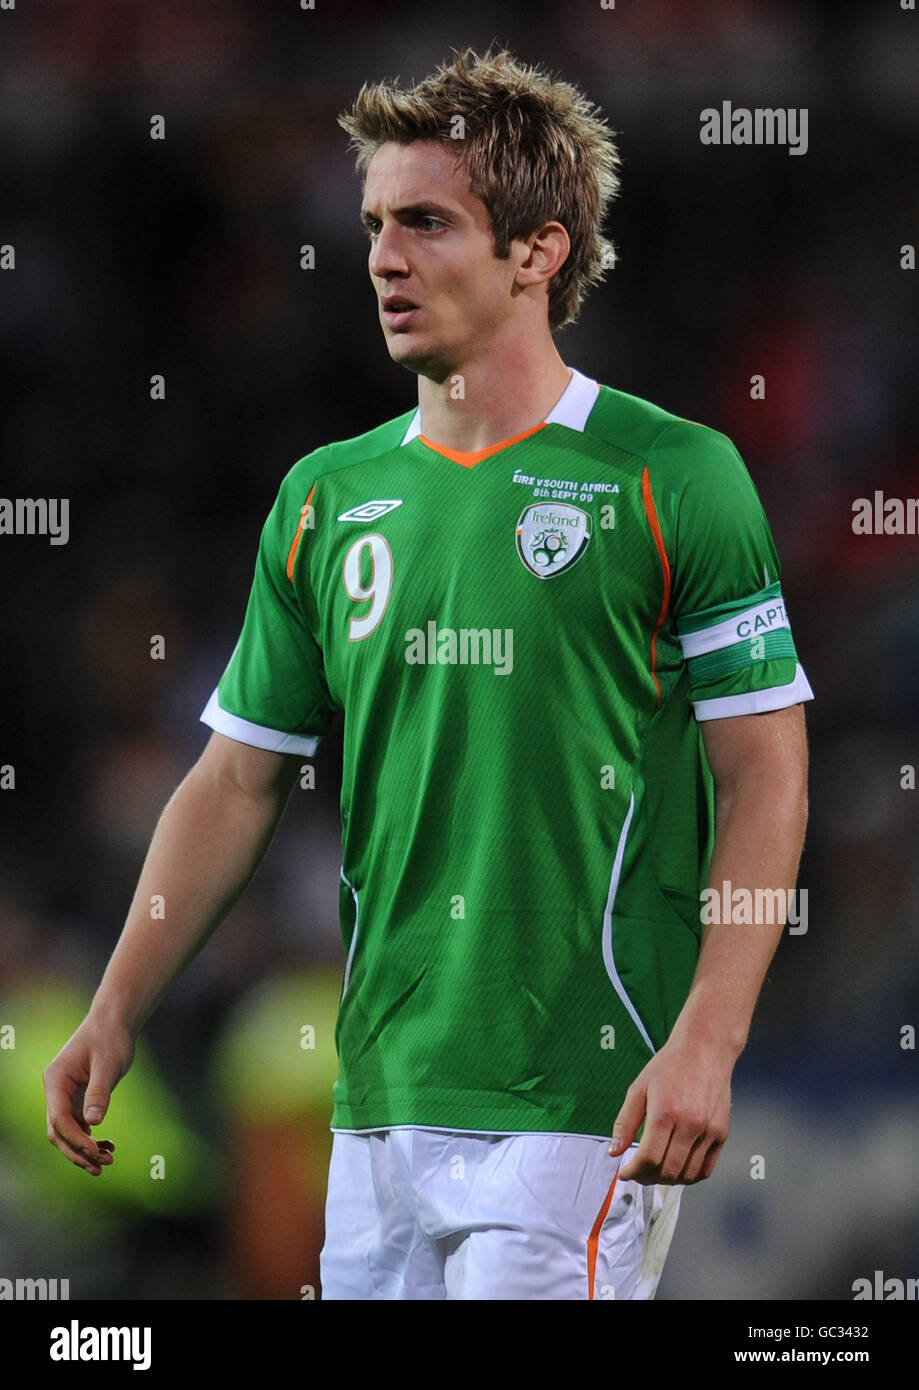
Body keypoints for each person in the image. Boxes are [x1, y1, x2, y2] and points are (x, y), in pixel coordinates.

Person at [44, 47, 812, 1301]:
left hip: (580, 1101)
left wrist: (706, 1043)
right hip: (377, 1106)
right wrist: (116, 1001)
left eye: (425, 223)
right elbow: (236, 780)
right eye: (372, 226)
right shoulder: (326, 498)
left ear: (537, 252)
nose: (382, 258)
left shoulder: (672, 476)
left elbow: (766, 774)